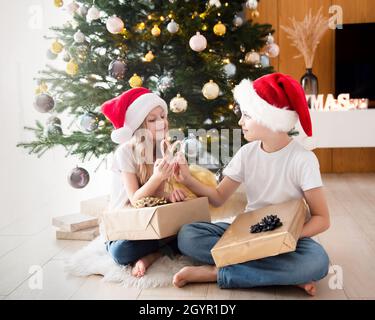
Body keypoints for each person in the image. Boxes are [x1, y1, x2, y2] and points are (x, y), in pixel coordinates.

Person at [172, 73, 330, 296]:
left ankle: (218, 272)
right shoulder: (247, 153)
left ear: (270, 119)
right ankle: (279, 275)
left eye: (247, 115)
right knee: (188, 235)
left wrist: (284, 238)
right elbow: (218, 197)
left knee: (317, 262)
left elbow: (322, 219)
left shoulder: (303, 160)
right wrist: (187, 178)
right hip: (246, 230)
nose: (240, 122)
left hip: (289, 235)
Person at [101, 87, 186, 278]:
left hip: (149, 221)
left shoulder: (162, 148)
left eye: (163, 116)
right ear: (139, 125)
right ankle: (156, 252)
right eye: (152, 119)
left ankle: (153, 253)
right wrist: (157, 177)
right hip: (126, 226)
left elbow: (155, 197)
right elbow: (135, 199)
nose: (161, 123)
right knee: (121, 252)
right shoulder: (125, 152)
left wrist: (169, 195)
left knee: (187, 231)